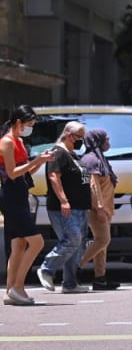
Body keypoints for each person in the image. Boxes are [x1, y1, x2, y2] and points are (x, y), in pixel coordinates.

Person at [33, 122, 94, 294]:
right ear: (68, 135)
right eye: (79, 137)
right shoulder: (58, 152)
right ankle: (46, 269)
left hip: (80, 208)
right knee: (72, 239)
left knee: (78, 245)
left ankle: (70, 283)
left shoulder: (73, 155)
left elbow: (83, 180)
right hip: (65, 208)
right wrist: (64, 200)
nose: (81, 141)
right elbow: (54, 176)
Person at [1, 106, 53, 305]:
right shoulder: (6, 142)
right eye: (29, 125)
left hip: (20, 193)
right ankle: (18, 287)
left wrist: (41, 161)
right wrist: (37, 160)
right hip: (11, 196)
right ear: (18, 122)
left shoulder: (19, 141)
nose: (30, 129)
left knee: (19, 244)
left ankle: (10, 291)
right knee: (37, 242)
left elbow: (25, 172)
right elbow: (12, 173)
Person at [77, 128, 120, 290]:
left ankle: (100, 278)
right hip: (96, 209)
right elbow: (92, 186)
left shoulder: (99, 159)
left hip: (105, 209)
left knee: (101, 245)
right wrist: (99, 208)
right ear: (98, 141)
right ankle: (76, 266)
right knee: (103, 240)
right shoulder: (90, 160)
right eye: (106, 140)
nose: (108, 143)